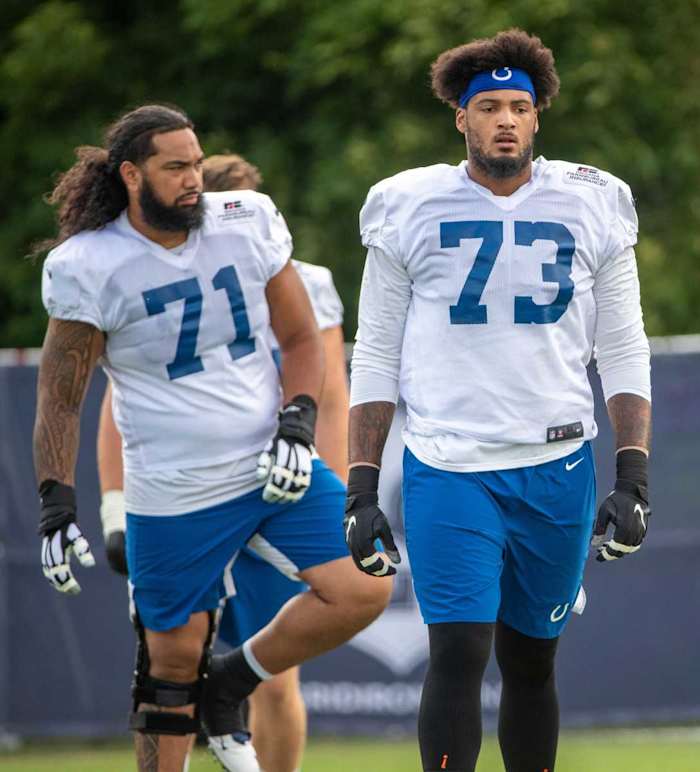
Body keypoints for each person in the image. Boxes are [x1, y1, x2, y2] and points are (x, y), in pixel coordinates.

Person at [34, 103, 391, 772]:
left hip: (270, 466)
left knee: (365, 583)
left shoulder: (246, 221)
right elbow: (62, 398)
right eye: (176, 167)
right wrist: (58, 501)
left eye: (197, 163)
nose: (194, 179)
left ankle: (232, 681)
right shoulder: (88, 263)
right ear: (132, 175)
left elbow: (299, 340)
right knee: (168, 668)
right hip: (172, 489)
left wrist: (297, 422)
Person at [344, 29, 651, 772]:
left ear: (539, 115)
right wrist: (360, 487)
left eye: (520, 105)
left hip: (557, 463)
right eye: (489, 107)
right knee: (456, 649)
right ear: (462, 118)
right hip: (449, 463)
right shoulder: (406, 202)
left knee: (531, 662)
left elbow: (624, 345)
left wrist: (633, 476)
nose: (505, 120)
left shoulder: (595, 198)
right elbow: (376, 351)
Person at [97, 152, 350, 772]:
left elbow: (332, 398)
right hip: (185, 490)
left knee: (273, 673)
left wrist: (336, 494)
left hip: (275, 488)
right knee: (169, 664)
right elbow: (118, 401)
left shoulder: (304, 279)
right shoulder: (155, 275)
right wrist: (112, 504)